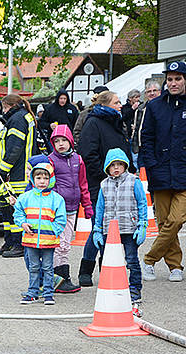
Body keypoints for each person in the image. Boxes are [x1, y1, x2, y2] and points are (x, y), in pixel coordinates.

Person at [76, 90, 134, 286]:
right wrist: (105, 178)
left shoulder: (117, 123)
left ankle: (109, 269)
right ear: (106, 105)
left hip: (121, 185)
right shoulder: (93, 123)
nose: (121, 105)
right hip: (100, 186)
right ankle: (87, 269)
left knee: (113, 230)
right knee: (98, 228)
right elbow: (88, 154)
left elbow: (124, 152)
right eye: (117, 102)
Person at [140, 61, 186, 283]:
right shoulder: (155, 105)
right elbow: (146, 138)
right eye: (170, 79)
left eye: (178, 78)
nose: (173, 83)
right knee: (164, 221)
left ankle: (149, 259)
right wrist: (152, 164)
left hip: (183, 172)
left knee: (176, 220)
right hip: (160, 172)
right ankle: (175, 266)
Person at [92, 149, 147, 303]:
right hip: (109, 230)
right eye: (112, 165)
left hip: (130, 228)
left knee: (131, 260)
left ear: (125, 165)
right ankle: (108, 287)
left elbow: (142, 203)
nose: (116, 168)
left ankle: (135, 288)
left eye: (120, 164)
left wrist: (142, 225)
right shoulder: (104, 185)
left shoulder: (133, 181)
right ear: (107, 167)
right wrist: (97, 229)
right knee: (106, 259)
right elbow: (100, 209)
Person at [0, 93, 40, 258]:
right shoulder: (22, 117)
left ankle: (19, 243)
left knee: (15, 209)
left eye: (4, 108)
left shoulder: (18, 119)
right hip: (17, 172)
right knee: (6, 208)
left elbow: (14, 148)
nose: (3, 111)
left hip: (17, 174)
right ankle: (10, 241)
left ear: (10, 106)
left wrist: (3, 170)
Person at [13, 160, 67, 304]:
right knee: (34, 267)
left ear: (51, 179)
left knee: (48, 267)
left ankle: (48, 293)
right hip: (30, 240)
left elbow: (61, 219)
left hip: (49, 240)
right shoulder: (25, 197)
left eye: (45, 178)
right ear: (32, 179)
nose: (42, 181)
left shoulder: (57, 199)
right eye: (38, 178)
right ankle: (33, 292)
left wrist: (54, 231)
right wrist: (22, 223)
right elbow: (18, 213)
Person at [48, 124, 91, 293]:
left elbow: (83, 184)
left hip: (72, 209)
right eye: (56, 141)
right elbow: (48, 185)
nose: (60, 144)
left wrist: (86, 205)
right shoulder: (50, 160)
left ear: (70, 141)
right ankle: (61, 279)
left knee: (64, 243)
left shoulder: (78, 160)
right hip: (57, 210)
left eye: (63, 140)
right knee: (61, 244)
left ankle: (57, 278)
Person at [130, 81, 161, 168]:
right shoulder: (140, 109)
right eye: (149, 91)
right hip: (142, 149)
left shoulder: (165, 107)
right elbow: (136, 129)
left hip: (159, 148)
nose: (152, 93)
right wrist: (135, 146)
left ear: (160, 92)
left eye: (154, 90)